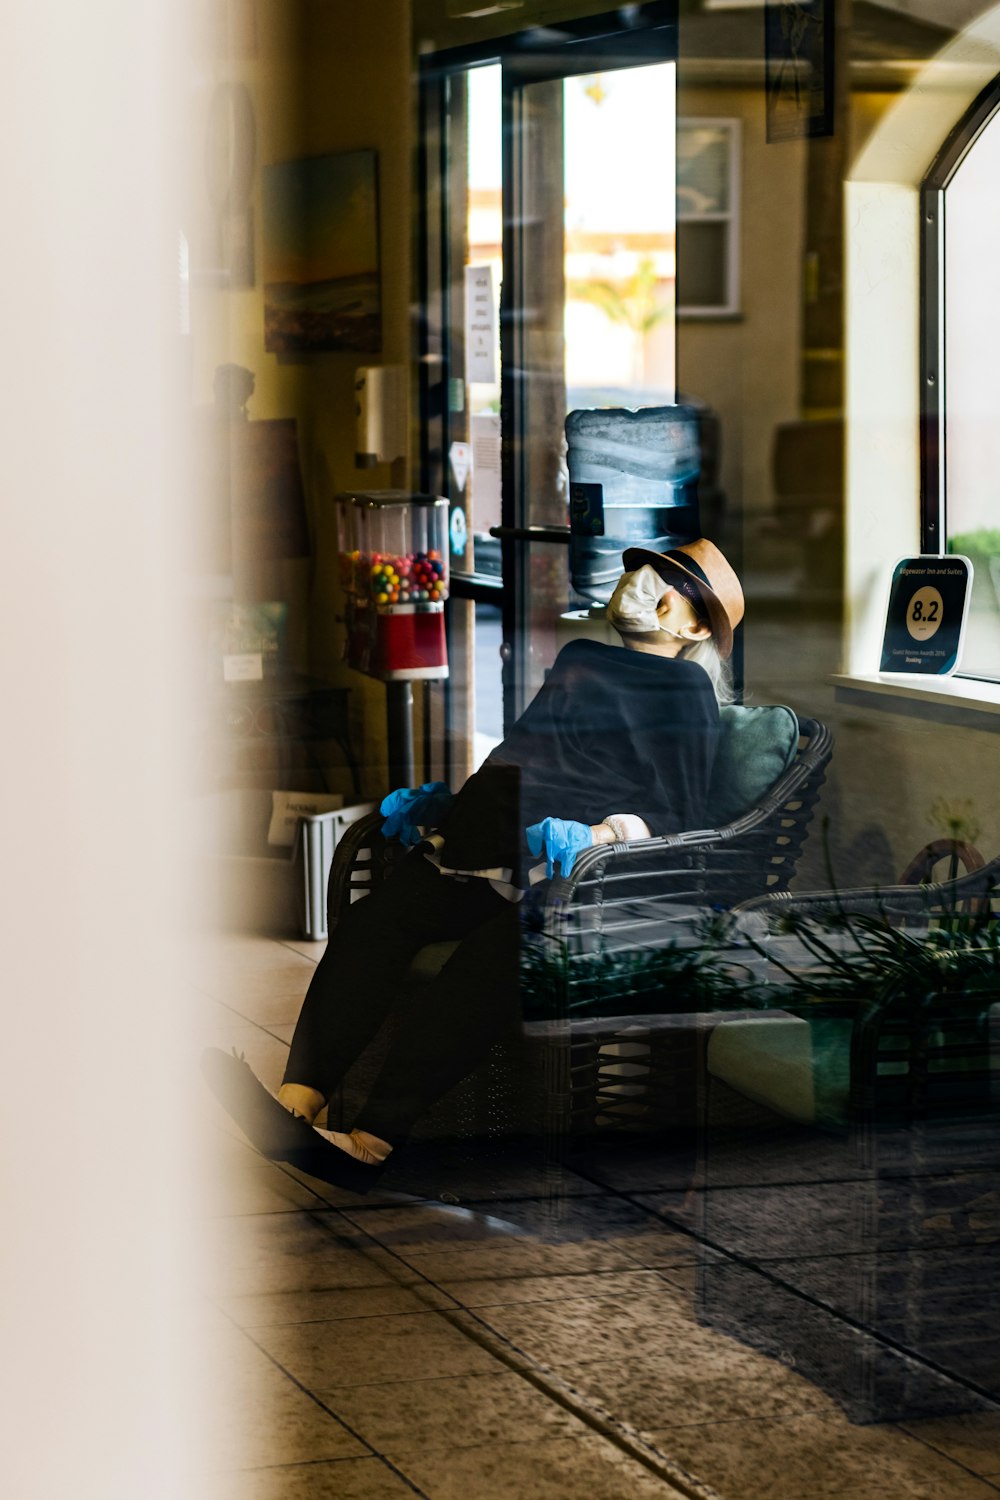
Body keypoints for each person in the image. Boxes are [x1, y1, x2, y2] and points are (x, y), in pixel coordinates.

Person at [203, 539, 745, 1191]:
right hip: (487, 846)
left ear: (693, 625)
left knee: (490, 957)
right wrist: (450, 807)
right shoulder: (580, 660)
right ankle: (298, 1101)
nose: (639, 582)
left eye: (664, 582)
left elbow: (681, 811)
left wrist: (598, 833)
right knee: (378, 920)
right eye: (640, 570)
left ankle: (372, 1138)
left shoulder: (684, 686)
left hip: (574, 879)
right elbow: (525, 752)